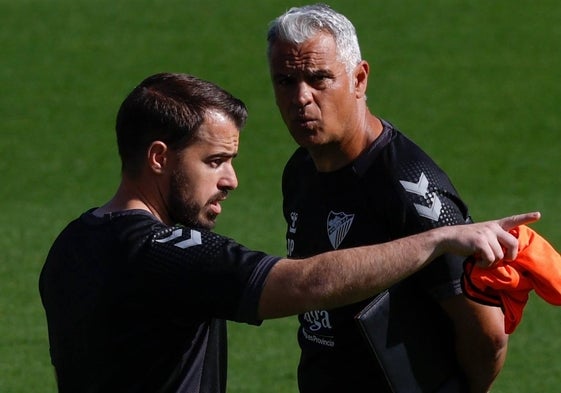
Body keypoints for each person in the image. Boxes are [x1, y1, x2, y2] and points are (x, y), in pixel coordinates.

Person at [39, 72, 538, 393]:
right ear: (158, 158)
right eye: (215, 162)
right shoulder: (168, 254)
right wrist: (437, 239)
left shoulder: (71, 243)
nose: (231, 180)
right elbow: (304, 284)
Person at [267, 4, 515, 393]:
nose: (301, 98)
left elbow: (487, 334)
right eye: (285, 81)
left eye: (319, 79)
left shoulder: (413, 188)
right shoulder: (300, 170)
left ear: (359, 79)